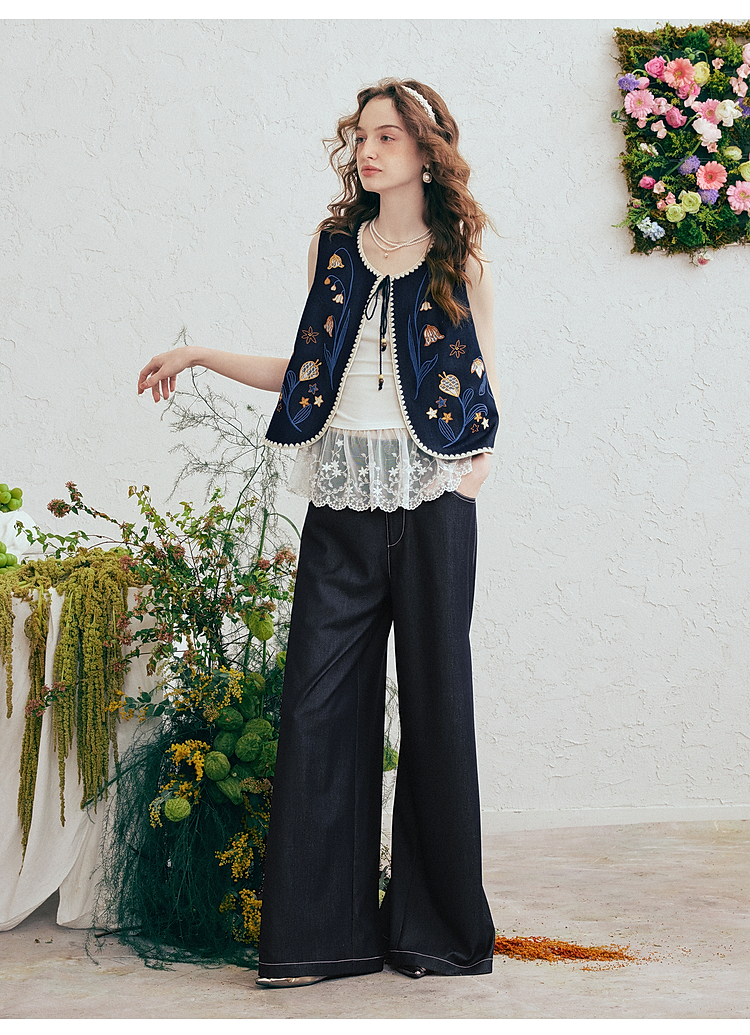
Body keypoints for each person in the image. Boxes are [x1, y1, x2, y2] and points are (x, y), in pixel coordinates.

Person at [138, 78, 500, 988]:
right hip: (341, 504)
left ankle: (438, 935)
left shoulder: (459, 256)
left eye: (387, 138)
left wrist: (471, 477)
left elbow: (482, 386)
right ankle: (316, 938)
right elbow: (308, 368)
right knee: (316, 707)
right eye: (361, 138)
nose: (367, 152)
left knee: (437, 709)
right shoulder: (333, 250)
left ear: (426, 155)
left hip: (431, 503)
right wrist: (199, 353)